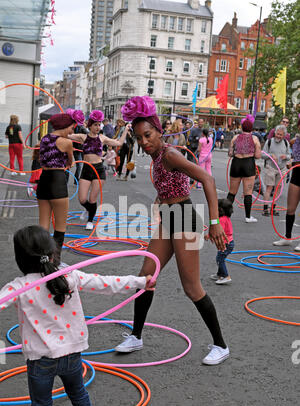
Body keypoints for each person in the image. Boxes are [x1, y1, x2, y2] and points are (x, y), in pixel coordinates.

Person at [0, 225, 155, 406]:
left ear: (20, 259)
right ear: (52, 252)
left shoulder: (20, 287)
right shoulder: (69, 276)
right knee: (79, 395)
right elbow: (107, 283)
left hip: (40, 360)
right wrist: (142, 282)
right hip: (72, 354)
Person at [114, 95, 229, 366]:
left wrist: (214, 223)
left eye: (148, 135)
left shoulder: (170, 154)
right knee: (146, 276)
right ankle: (136, 335)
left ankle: (221, 345)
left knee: (192, 287)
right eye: (140, 138)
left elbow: (208, 179)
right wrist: (161, 200)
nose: (144, 142)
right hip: (169, 217)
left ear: (159, 131)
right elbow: (174, 186)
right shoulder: (156, 157)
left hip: (184, 219)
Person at [68, 110, 130, 229]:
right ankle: (88, 209)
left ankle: (90, 221)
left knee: (92, 199)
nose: (97, 127)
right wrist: (71, 122)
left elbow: (119, 143)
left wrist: (126, 130)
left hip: (98, 170)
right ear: (90, 125)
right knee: (82, 199)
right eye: (95, 124)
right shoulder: (83, 137)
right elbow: (67, 135)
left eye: (99, 124)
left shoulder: (102, 138)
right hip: (86, 169)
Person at [36, 112, 78, 264]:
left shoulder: (44, 139)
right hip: (58, 182)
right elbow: (70, 161)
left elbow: (42, 159)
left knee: (43, 225)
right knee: (60, 225)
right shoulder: (66, 142)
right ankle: (55, 260)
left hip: (43, 181)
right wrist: (69, 163)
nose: (72, 132)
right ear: (64, 126)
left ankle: (42, 258)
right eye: (71, 128)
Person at [227, 114, 261, 223]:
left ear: (242, 127)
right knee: (248, 192)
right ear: (251, 128)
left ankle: (225, 216)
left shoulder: (235, 138)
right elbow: (258, 156)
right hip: (248, 164)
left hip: (236, 163)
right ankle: (248, 217)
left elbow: (230, 153)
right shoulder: (255, 139)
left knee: (232, 192)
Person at [273, 115, 300, 251]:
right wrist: (291, 162)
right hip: (297, 175)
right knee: (290, 209)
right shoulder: (296, 141)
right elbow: (293, 157)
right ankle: (287, 238)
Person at [261, 125, 291, 216]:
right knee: (269, 187)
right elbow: (262, 154)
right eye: (277, 134)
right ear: (275, 133)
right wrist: (270, 155)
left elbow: (289, 155)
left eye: (281, 135)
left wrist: (286, 156)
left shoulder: (286, 143)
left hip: (281, 168)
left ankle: (273, 207)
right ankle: (265, 208)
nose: (278, 136)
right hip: (271, 167)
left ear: (284, 135)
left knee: (278, 189)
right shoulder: (269, 142)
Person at [207, 199, 234, 285]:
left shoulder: (221, 220)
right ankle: (220, 274)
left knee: (220, 259)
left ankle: (226, 276)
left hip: (225, 243)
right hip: (229, 242)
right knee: (220, 258)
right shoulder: (226, 217)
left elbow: (218, 232)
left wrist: (208, 236)